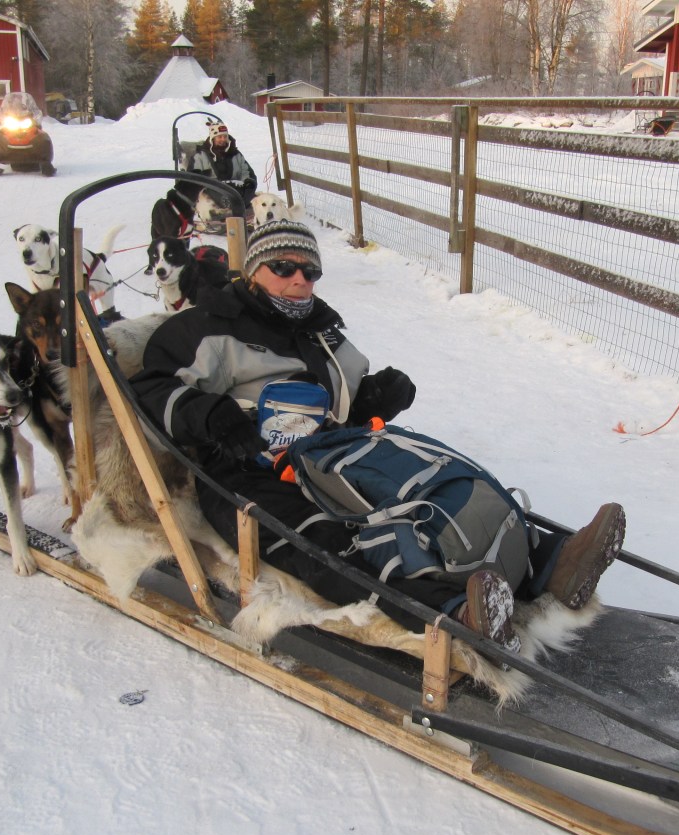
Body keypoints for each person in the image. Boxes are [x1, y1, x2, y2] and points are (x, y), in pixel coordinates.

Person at [131, 220, 625, 651]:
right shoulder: (207, 326)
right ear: (254, 270)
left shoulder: (319, 328)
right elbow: (150, 387)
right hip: (246, 467)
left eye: (310, 270)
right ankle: (454, 610)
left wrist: (375, 397)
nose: (300, 279)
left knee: (435, 476)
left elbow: (340, 399)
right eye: (283, 267)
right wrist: (212, 416)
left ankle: (552, 562)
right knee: (324, 540)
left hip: (331, 449)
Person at [181, 121, 257, 208]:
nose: (223, 139)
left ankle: (241, 205)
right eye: (219, 137)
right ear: (213, 138)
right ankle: (233, 206)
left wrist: (249, 183)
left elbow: (247, 172)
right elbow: (194, 179)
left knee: (251, 190)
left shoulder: (236, 154)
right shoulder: (200, 156)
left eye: (225, 136)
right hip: (211, 193)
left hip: (236, 189)